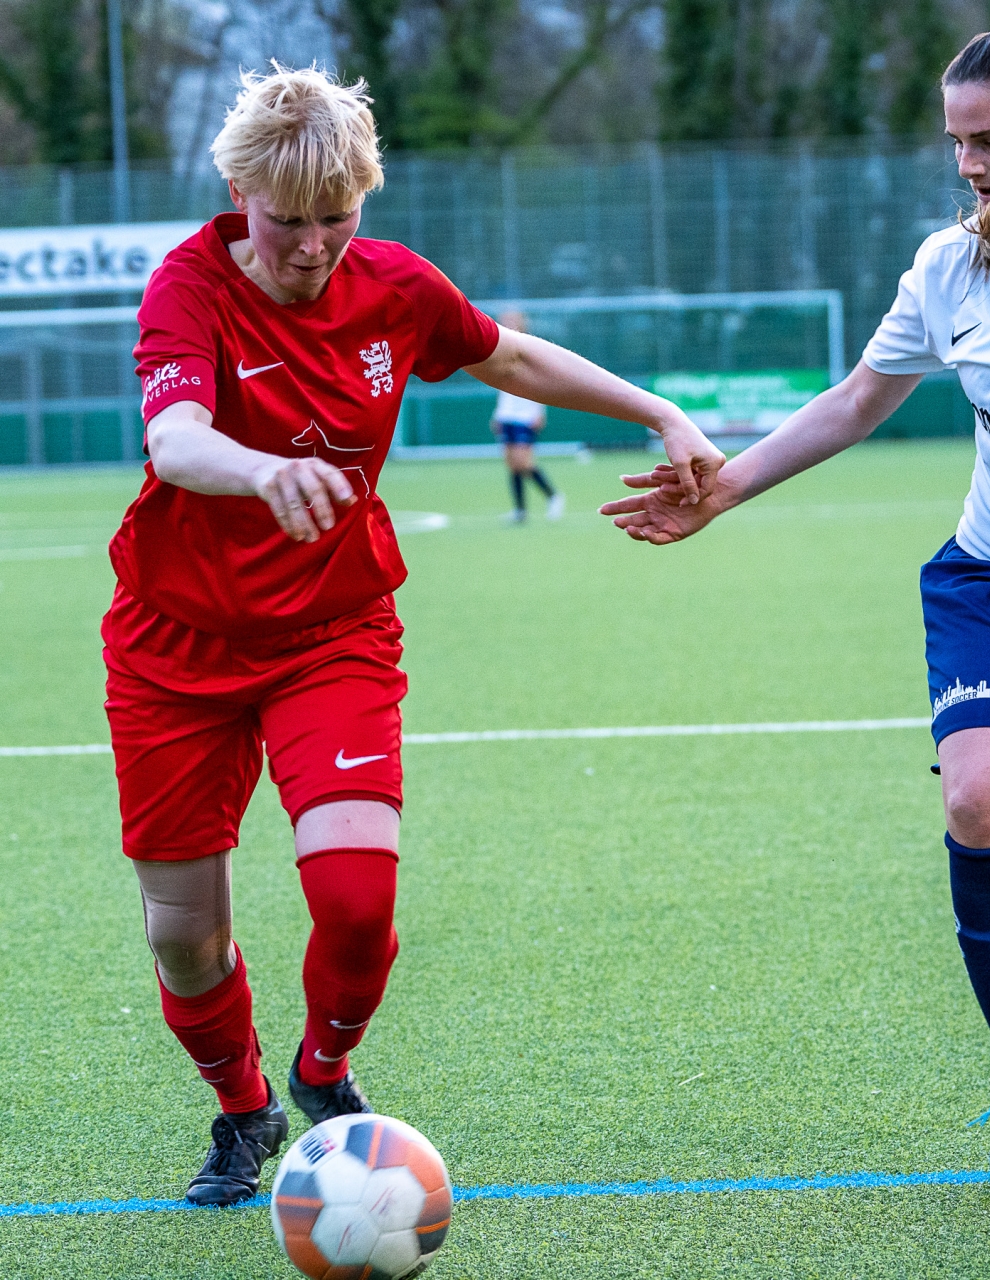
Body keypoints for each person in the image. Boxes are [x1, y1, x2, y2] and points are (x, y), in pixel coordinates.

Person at [603, 20, 990, 1181]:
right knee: (984, 801)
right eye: (956, 142)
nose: (971, 163)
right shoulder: (947, 268)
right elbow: (855, 400)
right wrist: (724, 489)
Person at [113, 65, 722, 1206]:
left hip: (332, 629)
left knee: (357, 900)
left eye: (336, 218)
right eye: (288, 221)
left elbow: (510, 357)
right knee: (185, 935)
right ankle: (243, 1104)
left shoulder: (394, 284)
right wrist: (262, 470)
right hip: (174, 644)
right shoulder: (188, 286)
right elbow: (176, 439)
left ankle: (320, 1068)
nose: (312, 246)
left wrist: (658, 410)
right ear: (241, 194)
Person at [490, 309, 564, 522]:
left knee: (523, 463)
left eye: (512, 320)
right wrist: (498, 415)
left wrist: (539, 412)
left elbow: (540, 383)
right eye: (505, 320)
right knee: (512, 464)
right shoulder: (500, 349)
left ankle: (553, 496)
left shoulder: (529, 348)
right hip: (507, 416)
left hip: (525, 416)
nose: (507, 323)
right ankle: (520, 510)